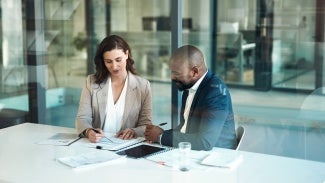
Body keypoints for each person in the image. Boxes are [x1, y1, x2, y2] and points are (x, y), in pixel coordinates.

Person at [144, 45, 236, 151]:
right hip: (196, 153)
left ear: (195, 72)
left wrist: (161, 137)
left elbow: (204, 142)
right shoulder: (190, 87)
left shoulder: (216, 93)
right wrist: (160, 133)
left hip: (217, 156)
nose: (172, 77)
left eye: (176, 73)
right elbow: (186, 126)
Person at [75, 35, 152, 143]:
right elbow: (82, 118)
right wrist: (89, 131)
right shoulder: (91, 82)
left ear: (126, 54)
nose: (114, 66)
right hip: (97, 146)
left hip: (126, 146)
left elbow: (146, 125)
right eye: (108, 61)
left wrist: (134, 131)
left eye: (118, 60)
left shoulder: (143, 86)